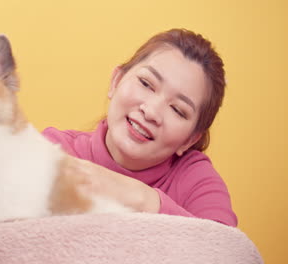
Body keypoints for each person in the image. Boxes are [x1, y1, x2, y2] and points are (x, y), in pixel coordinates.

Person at [42, 28, 237, 227]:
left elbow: (225, 248)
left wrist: (143, 199)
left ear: (190, 140)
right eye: (146, 83)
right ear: (116, 81)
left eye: (178, 110)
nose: (151, 112)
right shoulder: (53, 150)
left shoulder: (196, 181)